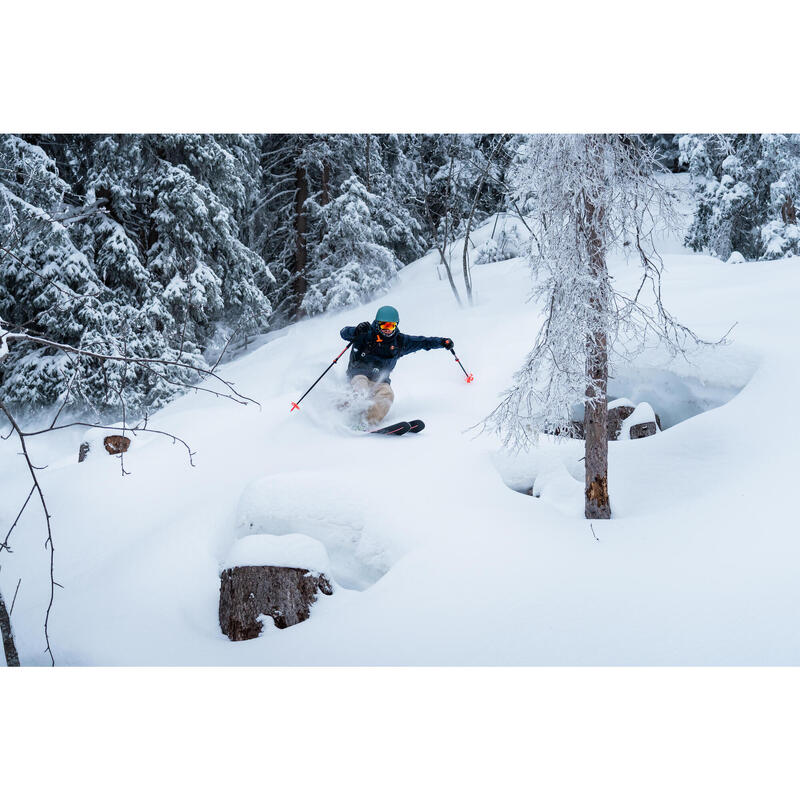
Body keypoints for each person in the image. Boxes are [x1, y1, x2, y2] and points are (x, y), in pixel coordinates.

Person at [339, 305, 453, 427]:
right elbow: (344, 333)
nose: (387, 329)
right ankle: (348, 415)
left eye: (391, 325)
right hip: (359, 374)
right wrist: (356, 331)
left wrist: (442, 342)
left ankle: (366, 422)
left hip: (380, 381)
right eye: (384, 325)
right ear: (377, 324)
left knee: (388, 394)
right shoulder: (366, 334)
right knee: (361, 388)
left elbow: (423, 342)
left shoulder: (400, 342)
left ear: (396, 325)